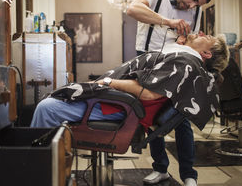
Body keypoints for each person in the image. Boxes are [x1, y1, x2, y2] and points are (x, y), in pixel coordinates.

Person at [31, 33, 228, 134]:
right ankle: (52, 167)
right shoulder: (183, 58)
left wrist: (109, 82)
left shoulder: (186, 63)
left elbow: (149, 93)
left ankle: (36, 175)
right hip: (115, 101)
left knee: (47, 108)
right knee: (53, 99)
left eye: (206, 37)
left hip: (120, 106)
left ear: (207, 53)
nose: (201, 33)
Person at [126, 0, 214, 186]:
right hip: (148, 58)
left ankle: (189, 175)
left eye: (197, 4)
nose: (192, 7)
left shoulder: (197, 11)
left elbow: (191, 42)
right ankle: (161, 168)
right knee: (152, 115)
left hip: (176, 63)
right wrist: (169, 22)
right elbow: (132, 9)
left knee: (180, 117)